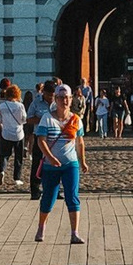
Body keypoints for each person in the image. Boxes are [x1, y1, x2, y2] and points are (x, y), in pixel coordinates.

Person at [32, 85, 86, 244]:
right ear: (55, 99)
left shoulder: (76, 119)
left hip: (70, 164)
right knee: (48, 197)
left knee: (72, 197)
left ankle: (74, 232)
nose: (65, 100)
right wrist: (50, 157)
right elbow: (40, 140)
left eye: (68, 97)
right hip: (51, 166)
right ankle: (41, 227)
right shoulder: (47, 118)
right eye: (61, 97)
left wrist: (82, 161)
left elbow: (80, 142)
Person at [0, 81, 28, 187]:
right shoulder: (20, 106)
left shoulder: (2, 105)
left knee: (4, 155)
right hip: (18, 134)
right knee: (18, 157)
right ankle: (17, 178)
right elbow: (24, 120)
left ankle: (2, 171)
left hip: (6, 133)